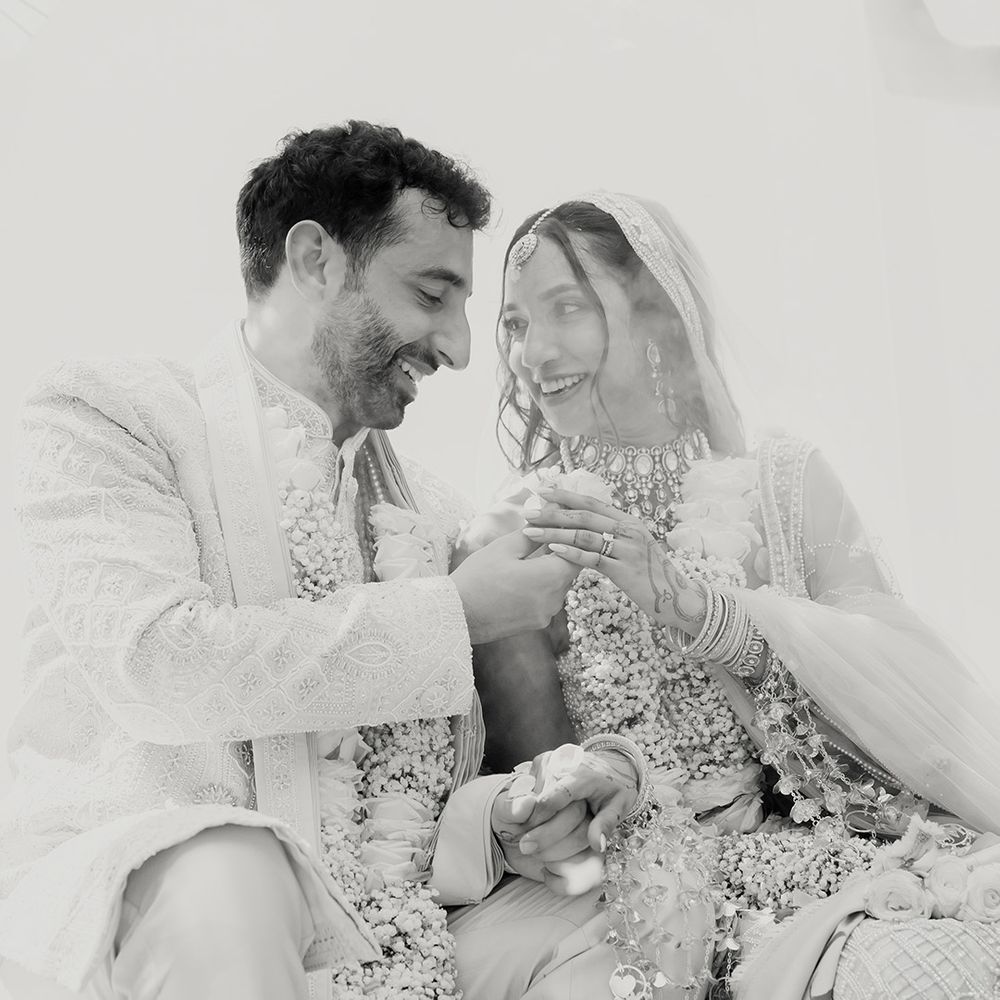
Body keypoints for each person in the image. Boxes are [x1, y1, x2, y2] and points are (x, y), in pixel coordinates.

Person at [0, 124, 643, 1000]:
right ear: (316, 263)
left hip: (393, 935)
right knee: (235, 868)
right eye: (431, 292)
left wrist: (511, 817)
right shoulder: (113, 418)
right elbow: (161, 666)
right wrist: (457, 616)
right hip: (153, 908)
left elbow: (410, 803)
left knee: (616, 917)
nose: (458, 346)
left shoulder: (437, 516)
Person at [465, 191, 1000, 998]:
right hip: (626, 903)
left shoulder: (785, 486)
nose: (531, 353)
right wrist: (598, 783)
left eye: (565, 309)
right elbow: (543, 793)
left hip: (829, 862)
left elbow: (916, 719)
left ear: (659, 315)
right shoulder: (513, 539)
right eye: (512, 325)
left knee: (923, 972)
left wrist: (701, 612)